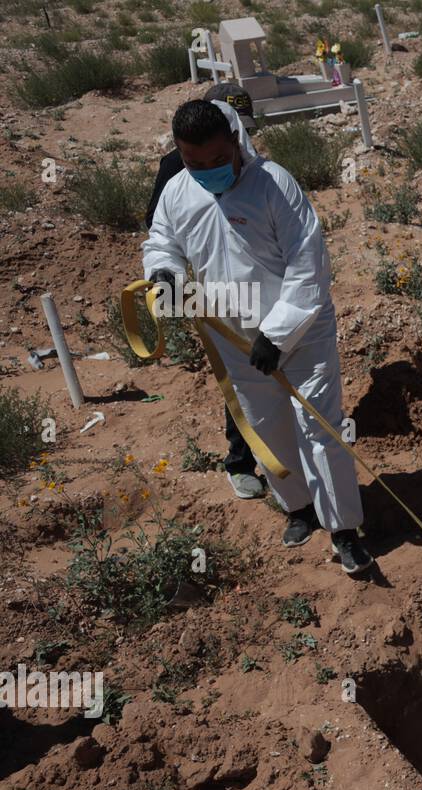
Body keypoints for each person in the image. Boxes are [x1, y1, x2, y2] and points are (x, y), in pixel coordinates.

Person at [142, 99, 372, 575]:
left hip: (301, 331)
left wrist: (279, 332)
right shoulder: (178, 192)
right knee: (263, 427)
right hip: (232, 332)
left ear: (234, 142)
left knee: (320, 430)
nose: (206, 170)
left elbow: (308, 266)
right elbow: (162, 240)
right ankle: (300, 509)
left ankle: (344, 529)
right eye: (193, 162)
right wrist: (163, 274)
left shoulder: (274, 185)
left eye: (215, 160)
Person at [146, 83, 265, 501]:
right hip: (216, 296)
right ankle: (241, 461)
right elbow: (162, 235)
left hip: (267, 295)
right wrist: (166, 278)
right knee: (240, 381)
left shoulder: (261, 169)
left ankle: (289, 459)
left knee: (279, 377)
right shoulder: (175, 171)